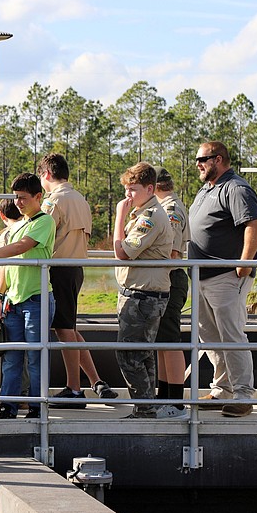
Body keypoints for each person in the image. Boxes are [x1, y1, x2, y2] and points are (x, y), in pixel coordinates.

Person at [188, 141, 257, 418]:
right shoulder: (207, 189)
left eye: (202, 159)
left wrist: (244, 264)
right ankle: (222, 389)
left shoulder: (236, 188)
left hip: (225, 276)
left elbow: (254, 223)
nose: (198, 164)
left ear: (218, 159)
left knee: (231, 335)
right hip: (202, 276)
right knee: (209, 336)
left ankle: (243, 395)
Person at [36, 153, 115, 407]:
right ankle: (96, 381)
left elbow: (40, 237)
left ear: (47, 174)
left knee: (64, 330)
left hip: (59, 269)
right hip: (75, 268)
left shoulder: (54, 201)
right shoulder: (80, 199)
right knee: (69, 328)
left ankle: (74, 389)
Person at [0, 173, 56, 419]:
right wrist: (0, 295)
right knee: (11, 358)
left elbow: (21, 247)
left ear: (38, 196)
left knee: (35, 356)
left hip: (35, 299)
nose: (18, 203)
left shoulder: (45, 221)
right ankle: (8, 406)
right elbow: (7, 264)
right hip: (14, 301)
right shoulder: (19, 225)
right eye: (16, 198)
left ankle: (36, 406)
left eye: (23, 198)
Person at [113, 163, 174, 418]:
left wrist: (119, 216)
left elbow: (122, 252)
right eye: (126, 190)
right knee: (142, 354)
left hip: (143, 296)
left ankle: (145, 409)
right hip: (142, 293)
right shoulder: (143, 213)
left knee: (129, 356)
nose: (128, 195)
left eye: (133, 190)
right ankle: (146, 407)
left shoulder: (150, 217)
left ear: (150, 189)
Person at [155, 169, 190, 415]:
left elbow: (172, 252)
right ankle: (164, 397)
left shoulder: (170, 210)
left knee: (170, 341)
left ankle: (176, 402)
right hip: (164, 279)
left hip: (170, 278)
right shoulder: (165, 207)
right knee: (162, 342)